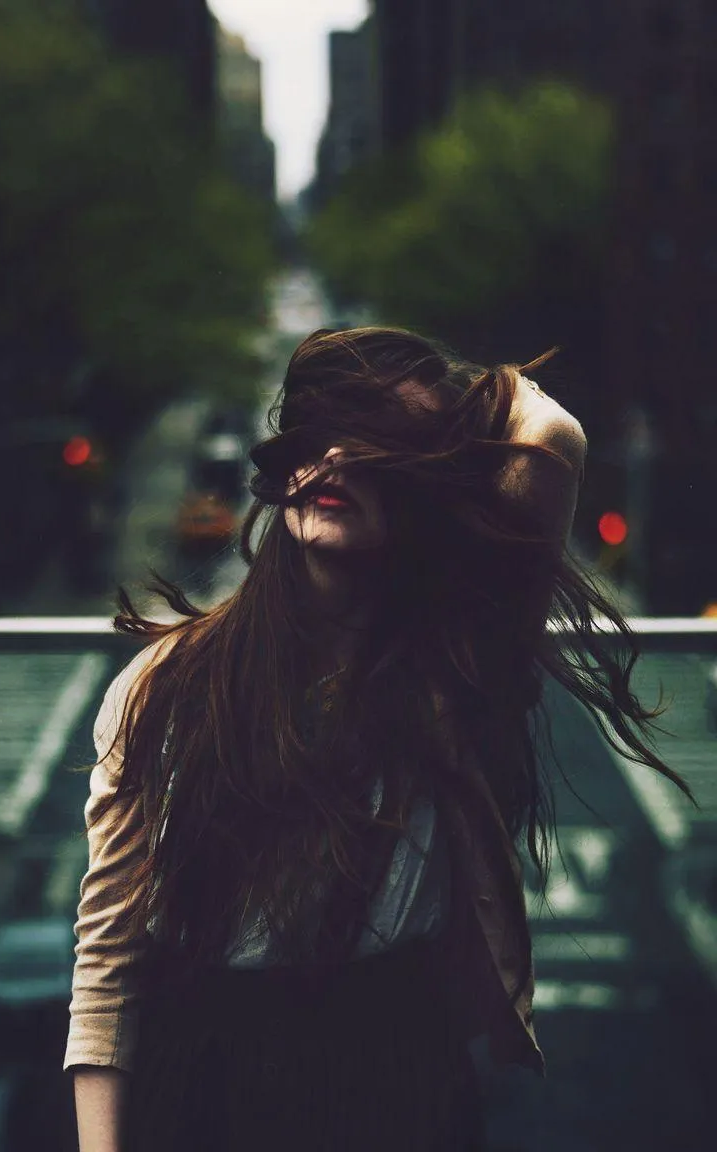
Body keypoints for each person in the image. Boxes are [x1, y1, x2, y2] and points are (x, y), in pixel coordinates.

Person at [64, 328, 693, 1152]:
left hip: (395, 1073)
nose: (337, 464)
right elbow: (108, 967)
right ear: (286, 462)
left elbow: (553, 437)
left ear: (424, 484)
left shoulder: (457, 664)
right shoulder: (166, 688)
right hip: (205, 1080)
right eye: (318, 435)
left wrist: (445, 405)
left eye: (379, 450)